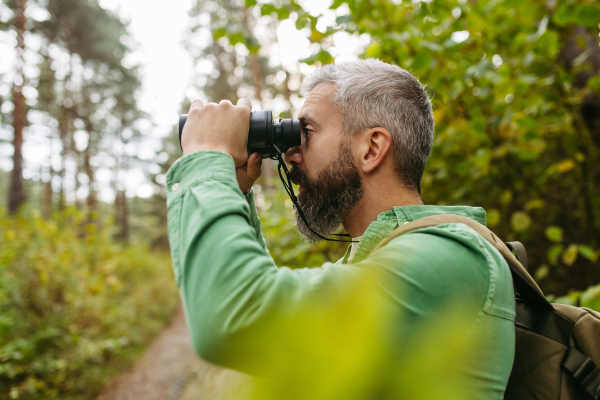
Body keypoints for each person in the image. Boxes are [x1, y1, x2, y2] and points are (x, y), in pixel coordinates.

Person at [167, 59, 516, 398]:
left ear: (372, 148)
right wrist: (234, 188)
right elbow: (270, 325)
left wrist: (208, 159)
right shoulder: (369, 263)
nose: (289, 154)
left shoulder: (449, 259)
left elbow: (233, 317)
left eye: (306, 132)